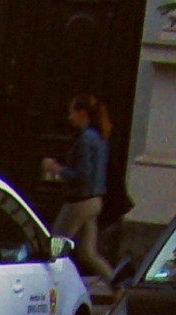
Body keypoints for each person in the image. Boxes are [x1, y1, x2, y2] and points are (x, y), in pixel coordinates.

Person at [42, 95, 113, 283]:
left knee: (55, 246)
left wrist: (57, 169)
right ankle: (118, 286)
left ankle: (51, 285)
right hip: (95, 200)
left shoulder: (85, 139)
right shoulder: (100, 138)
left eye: (72, 113)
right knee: (88, 252)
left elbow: (82, 175)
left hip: (79, 201)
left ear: (82, 113)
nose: (69, 117)